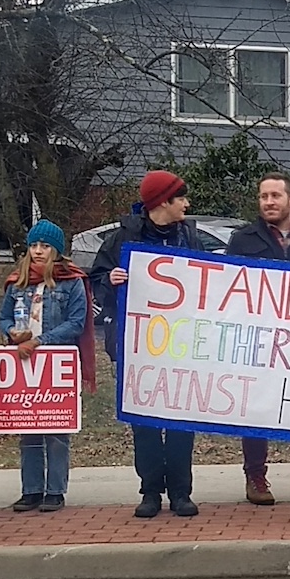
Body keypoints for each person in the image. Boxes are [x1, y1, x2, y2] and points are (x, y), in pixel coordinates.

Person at [89, 169, 201, 518]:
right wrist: (110, 279)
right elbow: (95, 278)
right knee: (145, 421)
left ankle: (181, 492)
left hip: (181, 344)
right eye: (180, 197)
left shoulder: (189, 237)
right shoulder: (122, 239)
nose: (187, 203)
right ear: (162, 202)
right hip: (137, 345)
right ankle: (151, 491)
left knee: (182, 421)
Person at [225, 171, 290, 505]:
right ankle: (256, 477)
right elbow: (225, 289)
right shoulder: (242, 241)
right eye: (263, 197)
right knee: (254, 409)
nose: (269, 202)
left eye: (275, 196)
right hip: (258, 341)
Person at [0, 220, 94, 512]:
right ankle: (31, 490)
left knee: (55, 429)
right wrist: (11, 333)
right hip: (24, 364)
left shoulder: (72, 280)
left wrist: (39, 341)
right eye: (34, 245)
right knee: (28, 428)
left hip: (57, 362)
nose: (38, 251)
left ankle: (55, 490)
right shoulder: (18, 282)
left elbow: (76, 323)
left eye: (45, 246)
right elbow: (4, 317)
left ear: (57, 251)